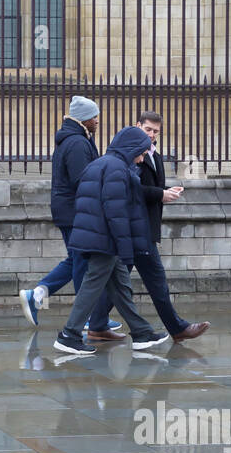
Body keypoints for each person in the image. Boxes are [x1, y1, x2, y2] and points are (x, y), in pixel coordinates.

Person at [55, 126, 169, 355]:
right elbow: (116, 213)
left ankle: (141, 332)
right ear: (131, 148)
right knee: (92, 284)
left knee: (120, 286)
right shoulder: (117, 169)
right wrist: (125, 249)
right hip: (104, 239)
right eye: (142, 151)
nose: (144, 156)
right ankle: (69, 334)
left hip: (96, 234)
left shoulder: (104, 163)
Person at [18, 96, 121, 338]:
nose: (98, 120)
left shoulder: (78, 139)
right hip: (76, 212)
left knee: (77, 260)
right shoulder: (77, 143)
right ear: (85, 118)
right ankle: (86, 317)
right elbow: (83, 180)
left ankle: (39, 296)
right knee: (82, 263)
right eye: (94, 116)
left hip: (71, 211)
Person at [132, 110, 210, 343]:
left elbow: (153, 188)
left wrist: (166, 193)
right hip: (137, 227)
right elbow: (129, 188)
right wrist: (161, 194)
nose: (152, 135)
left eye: (156, 131)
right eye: (148, 129)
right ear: (138, 125)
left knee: (114, 283)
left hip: (145, 227)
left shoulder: (154, 155)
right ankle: (177, 328)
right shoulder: (131, 154)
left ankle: (94, 325)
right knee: (156, 281)